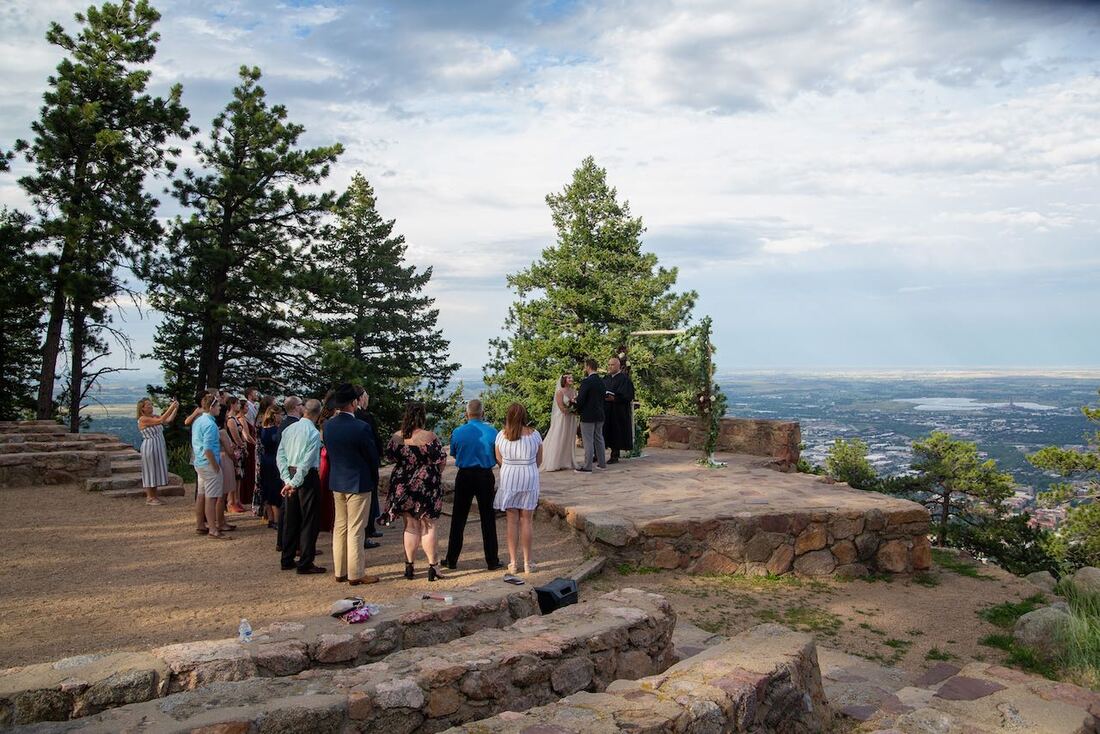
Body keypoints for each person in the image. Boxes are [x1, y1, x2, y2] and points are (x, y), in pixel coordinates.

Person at [324, 384, 381, 586]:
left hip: (337, 479)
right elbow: (372, 457)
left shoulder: (328, 425)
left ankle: (340, 570)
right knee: (356, 529)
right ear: (354, 403)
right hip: (358, 481)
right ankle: (356, 573)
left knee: (340, 526)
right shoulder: (361, 427)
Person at [385, 402, 448, 581]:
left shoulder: (397, 437)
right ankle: (432, 566)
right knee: (428, 525)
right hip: (426, 483)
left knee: (410, 525)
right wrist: (431, 475)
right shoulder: (430, 437)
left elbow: (389, 456)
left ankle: (409, 566)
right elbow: (441, 460)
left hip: (402, 483)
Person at [444, 399, 501, 571]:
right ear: (482, 413)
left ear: (466, 414)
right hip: (485, 476)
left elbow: (453, 452)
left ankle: (451, 559)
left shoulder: (458, 432)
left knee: (458, 518)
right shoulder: (492, 432)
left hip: (464, 475)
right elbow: (497, 453)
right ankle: (492, 560)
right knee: (488, 518)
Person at [494, 402, 543, 574]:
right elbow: (539, 459)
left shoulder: (502, 435)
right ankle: (528, 562)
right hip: (529, 476)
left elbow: (498, 458)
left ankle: (513, 562)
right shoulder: (535, 434)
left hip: (509, 477)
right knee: (527, 521)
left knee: (512, 521)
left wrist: (510, 467)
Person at [277, 399, 324, 574]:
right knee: (309, 520)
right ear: (318, 414)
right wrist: (294, 482)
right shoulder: (313, 433)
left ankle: (287, 558)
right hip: (306, 476)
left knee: (291, 518)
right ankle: (305, 561)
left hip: (289, 472)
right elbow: (307, 462)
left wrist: (287, 479)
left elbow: (280, 455)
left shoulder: (289, 429)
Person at [192, 392, 231, 540]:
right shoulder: (210, 424)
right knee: (211, 497)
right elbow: (208, 448)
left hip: (199, 462)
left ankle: (200, 524)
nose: (220, 408)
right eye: (218, 406)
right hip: (209, 463)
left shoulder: (199, 421)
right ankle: (213, 529)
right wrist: (215, 466)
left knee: (202, 495)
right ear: (212, 407)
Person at [353, 386, 385, 548]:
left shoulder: (356, 416)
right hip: (366, 464)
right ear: (359, 399)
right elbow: (373, 440)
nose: (368, 398)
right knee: (367, 499)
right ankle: (366, 531)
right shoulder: (364, 417)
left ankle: (370, 528)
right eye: (366, 396)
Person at [137, 397, 178, 505]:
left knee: (155, 471)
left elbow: (167, 420)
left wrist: (175, 409)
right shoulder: (143, 419)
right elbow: (160, 420)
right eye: (148, 405)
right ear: (142, 409)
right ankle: (149, 497)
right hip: (149, 447)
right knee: (150, 471)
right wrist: (171, 407)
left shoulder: (153, 417)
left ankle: (154, 496)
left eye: (151, 404)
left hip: (158, 446)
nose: (151, 406)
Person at [275, 396, 303, 552]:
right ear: (295, 407)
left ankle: (283, 541)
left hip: (287, 469)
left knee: (286, 508)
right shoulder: (293, 425)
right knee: (293, 510)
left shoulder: (285, 424)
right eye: (301, 404)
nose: (303, 407)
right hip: (293, 469)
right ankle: (294, 544)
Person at [574, 359, 607, 472]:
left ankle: (587, 466)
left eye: (585, 366)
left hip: (588, 415)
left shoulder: (586, 382)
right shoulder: (602, 381)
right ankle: (602, 464)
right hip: (600, 413)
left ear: (588, 367)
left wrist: (576, 407)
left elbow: (581, 399)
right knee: (599, 438)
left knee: (588, 441)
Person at [541, 374, 578, 472]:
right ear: (564, 380)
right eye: (569, 378)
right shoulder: (559, 392)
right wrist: (570, 409)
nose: (571, 379)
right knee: (559, 437)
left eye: (571, 377)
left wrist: (575, 410)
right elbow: (561, 407)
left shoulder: (574, 391)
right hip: (562, 418)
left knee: (569, 438)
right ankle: (555, 461)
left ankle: (566, 461)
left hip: (571, 418)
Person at [603, 356, 636, 464]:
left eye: (612, 365)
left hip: (618, 411)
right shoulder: (605, 379)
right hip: (606, 410)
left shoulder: (624, 379)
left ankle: (615, 455)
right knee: (603, 431)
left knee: (616, 432)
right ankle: (597, 454)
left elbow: (628, 395)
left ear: (618, 366)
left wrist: (615, 398)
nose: (610, 367)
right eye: (609, 365)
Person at [258, 404, 284, 530]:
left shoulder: (263, 428)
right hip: (274, 460)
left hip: (265, 459)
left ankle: (270, 518)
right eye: (280, 414)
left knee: (267, 489)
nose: (282, 416)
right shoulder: (276, 431)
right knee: (275, 489)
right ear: (275, 415)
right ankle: (277, 520)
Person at [223, 397, 246, 513]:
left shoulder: (235, 419)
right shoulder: (231, 420)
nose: (239, 406)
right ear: (232, 405)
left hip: (239, 450)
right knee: (235, 476)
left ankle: (237, 499)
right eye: (237, 404)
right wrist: (242, 445)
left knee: (239, 476)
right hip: (235, 450)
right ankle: (231, 501)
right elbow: (235, 436)